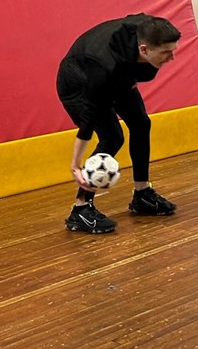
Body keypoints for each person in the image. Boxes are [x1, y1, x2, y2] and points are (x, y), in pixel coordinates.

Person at [56, 13, 181, 234]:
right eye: (165, 53)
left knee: (141, 123)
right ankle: (80, 209)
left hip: (120, 72)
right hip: (79, 81)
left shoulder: (147, 31)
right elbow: (86, 125)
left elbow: (143, 20)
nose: (171, 58)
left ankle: (142, 195)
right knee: (113, 137)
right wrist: (75, 165)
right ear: (144, 50)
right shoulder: (103, 69)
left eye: (173, 50)